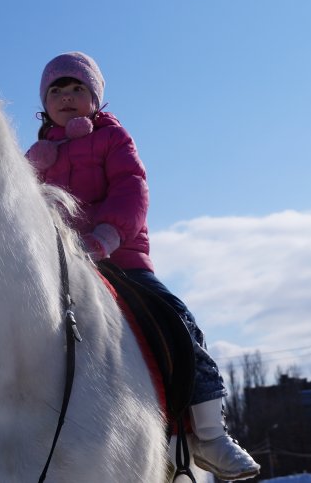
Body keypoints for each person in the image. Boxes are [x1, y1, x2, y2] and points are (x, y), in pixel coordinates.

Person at [25, 51, 260, 481]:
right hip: (55, 267)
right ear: (45, 102)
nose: (67, 97)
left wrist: (106, 237)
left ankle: (209, 433)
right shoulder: (33, 159)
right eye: (57, 90)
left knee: (179, 322)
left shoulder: (114, 140)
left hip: (120, 260)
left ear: (95, 99)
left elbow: (132, 191)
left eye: (78, 88)